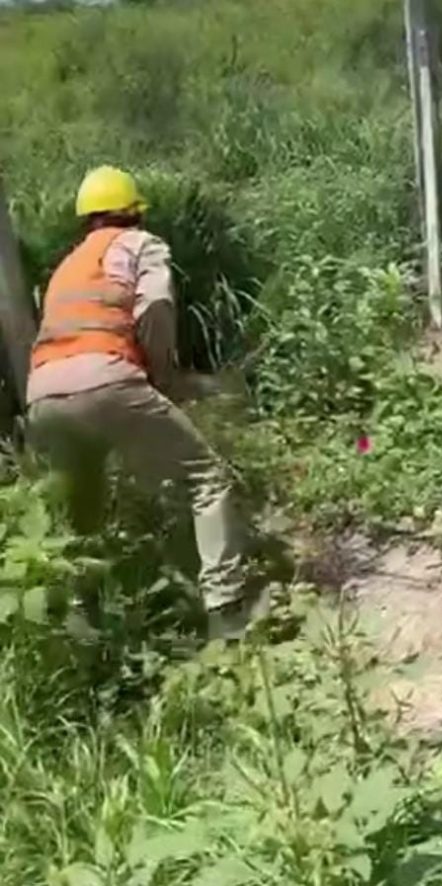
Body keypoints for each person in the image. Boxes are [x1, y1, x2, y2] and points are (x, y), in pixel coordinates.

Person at [25, 165, 261, 641]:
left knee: (83, 503)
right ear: (132, 213)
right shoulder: (140, 245)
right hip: (107, 380)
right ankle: (226, 613)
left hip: (43, 397)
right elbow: (154, 307)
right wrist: (164, 375)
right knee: (207, 478)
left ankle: (83, 628)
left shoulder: (66, 266)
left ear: (85, 220)